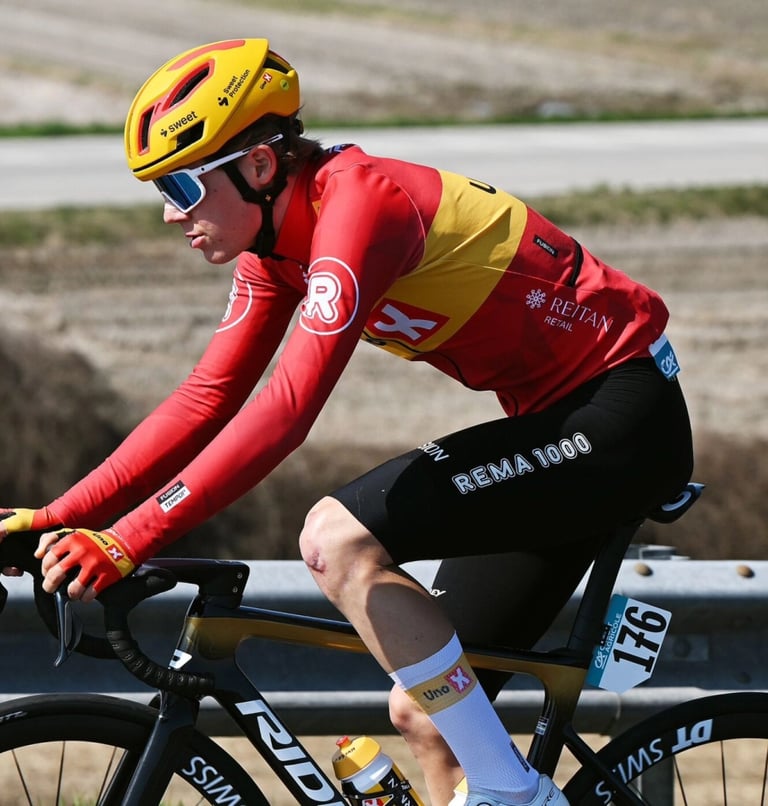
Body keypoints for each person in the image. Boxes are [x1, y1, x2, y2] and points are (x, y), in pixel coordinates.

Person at [0, 38, 694, 806]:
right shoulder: (276, 250)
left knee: (337, 539)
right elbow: (207, 397)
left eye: (182, 184)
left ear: (259, 166)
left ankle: (517, 794)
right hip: (557, 429)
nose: (171, 213)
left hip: (618, 419)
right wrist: (60, 515)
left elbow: (288, 408)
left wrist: (129, 538)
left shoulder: (361, 208)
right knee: (430, 716)